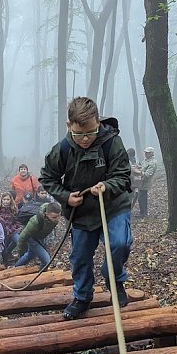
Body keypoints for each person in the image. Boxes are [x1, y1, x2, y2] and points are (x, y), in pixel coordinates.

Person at [39, 96, 132, 320]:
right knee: (80, 257)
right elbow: (47, 177)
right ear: (68, 125)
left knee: (119, 243)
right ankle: (82, 297)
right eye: (79, 134)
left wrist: (107, 186)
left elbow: (123, 176)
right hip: (80, 212)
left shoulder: (111, 142)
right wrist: (65, 197)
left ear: (98, 121)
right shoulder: (62, 149)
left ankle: (114, 278)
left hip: (112, 206)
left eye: (90, 132)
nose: (85, 139)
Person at [14, 201, 62, 270]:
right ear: (46, 214)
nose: (58, 219)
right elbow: (23, 236)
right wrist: (19, 249)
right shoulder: (35, 222)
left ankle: (16, 267)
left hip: (40, 236)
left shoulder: (55, 212)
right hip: (32, 238)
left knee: (30, 255)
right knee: (46, 261)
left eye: (59, 216)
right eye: (54, 217)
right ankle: (41, 275)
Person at [0, 192, 20, 264]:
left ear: (10, 200)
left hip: (12, 231)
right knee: (4, 246)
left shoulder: (14, 209)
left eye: (8, 199)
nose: (6, 201)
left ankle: (19, 258)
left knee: (19, 241)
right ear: (1, 200)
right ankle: (4, 261)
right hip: (2, 232)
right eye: (4, 199)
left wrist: (12, 229)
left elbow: (17, 222)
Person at [135, 146, 157, 218]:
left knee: (142, 198)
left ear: (151, 153)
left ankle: (144, 213)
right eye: (145, 152)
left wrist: (139, 172)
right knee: (140, 198)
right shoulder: (145, 160)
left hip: (145, 182)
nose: (146, 154)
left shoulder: (153, 162)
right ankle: (143, 212)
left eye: (147, 153)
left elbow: (148, 174)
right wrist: (138, 167)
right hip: (141, 181)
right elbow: (142, 168)